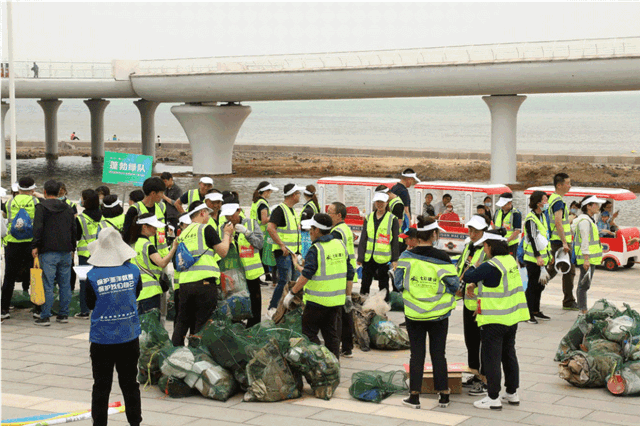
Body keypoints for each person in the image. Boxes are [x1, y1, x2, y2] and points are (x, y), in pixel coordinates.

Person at [394, 216, 460, 409]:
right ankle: (444, 395)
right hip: (439, 314)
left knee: (417, 354)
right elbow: (454, 285)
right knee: (438, 354)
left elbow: (398, 284)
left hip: (414, 314)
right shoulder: (443, 258)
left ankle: (414, 397)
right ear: (434, 234)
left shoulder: (406, 257)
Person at [463, 233, 529, 410]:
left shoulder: (489, 266)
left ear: (490, 246)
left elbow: (468, 277)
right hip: (512, 318)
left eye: (485, 246)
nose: (484, 250)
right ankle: (512, 393)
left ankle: (493, 397)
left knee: (491, 358)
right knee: (509, 355)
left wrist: (473, 264)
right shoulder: (510, 261)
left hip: (494, 320)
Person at [84, 227, 143, 426]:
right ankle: (135, 422)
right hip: (129, 336)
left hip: (102, 339)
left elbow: (90, 304)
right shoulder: (133, 271)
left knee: (101, 386)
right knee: (130, 384)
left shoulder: (92, 276)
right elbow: (137, 293)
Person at [286, 213, 354, 360]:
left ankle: (320, 361)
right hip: (336, 301)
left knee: (309, 334)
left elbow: (307, 275)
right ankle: (333, 367)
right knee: (331, 335)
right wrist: (348, 295)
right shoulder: (340, 245)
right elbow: (349, 272)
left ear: (316, 230)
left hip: (317, 302)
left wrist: (292, 293)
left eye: (311, 228)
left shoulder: (316, 249)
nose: (309, 231)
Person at [172, 201, 233, 346]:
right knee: (202, 324)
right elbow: (223, 251)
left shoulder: (183, 233)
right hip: (204, 284)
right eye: (207, 213)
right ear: (201, 213)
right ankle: (197, 357)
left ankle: (174, 354)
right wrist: (227, 234)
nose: (209, 216)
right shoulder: (206, 229)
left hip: (185, 285)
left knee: (182, 322)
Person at [30, 180, 76, 325]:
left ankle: (45, 316)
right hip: (65, 251)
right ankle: (63, 315)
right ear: (58, 192)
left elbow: (37, 228)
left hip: (48, 250)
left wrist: (35, 246)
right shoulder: (68, 208)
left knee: (48, 284)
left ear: (44, 192)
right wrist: (72, 248)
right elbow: (73, 229)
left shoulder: (41, 207)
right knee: (65, 284)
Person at [455, 215, 491, 396]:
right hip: (468, 303)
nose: (472, 233)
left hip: (481, 303)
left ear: (484, 231)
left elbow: (483, 272)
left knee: (483, 342)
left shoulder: (485, 250)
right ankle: (474, 373)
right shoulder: (469, 246)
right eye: (470, 230)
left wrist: (471, 284)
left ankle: (485, 378)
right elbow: (462, 267)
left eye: (476, 231)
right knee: (471, 341)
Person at [220, 199, 264, 327]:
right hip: (233, 273)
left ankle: (254, 328)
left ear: (239, 211)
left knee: (255, 303)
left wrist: (247, 233)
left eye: (232, 214)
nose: (229, 218)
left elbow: (260, 244)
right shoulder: (223, 227)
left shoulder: (251, 224)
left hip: (251, 272)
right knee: (234, 301)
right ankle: (236, 326)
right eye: (227, 215)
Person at [1, 177, 39, 321]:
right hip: (31, 243)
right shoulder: (36, 202)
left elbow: (5, 216)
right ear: (33, 189)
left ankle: (4, 309)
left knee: (9, 276)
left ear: (18, 188)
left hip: (12, 242)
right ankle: (37, 309)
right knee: (34, 275)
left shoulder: (9, 202)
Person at [266, 183, 304, 317]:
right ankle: (272, 308)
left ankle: (288, 308)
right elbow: (270, 228)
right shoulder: (280, 209)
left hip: (292, 253)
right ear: (293, 195)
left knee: (293, 282)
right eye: (299, 193)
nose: (300, 196)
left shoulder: (292, 210)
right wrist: (282, 245)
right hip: (284, 252)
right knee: (284, 281)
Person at [328, 201, 358, 358]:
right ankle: (348, 347)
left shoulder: (337, 232)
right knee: (346, 311)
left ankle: (342, 345)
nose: (328, 215)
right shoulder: (345, 228)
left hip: (342, 274)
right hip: (349, 274)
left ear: (338, 215)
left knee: (340, 313)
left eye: (330, 213)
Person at [131, 213, 178, 313]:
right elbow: (162, 263)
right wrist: (174, 248)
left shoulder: (134, 244)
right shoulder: (147, 245)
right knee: (151, 326)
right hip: (150, 292)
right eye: (153, 227)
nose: (156, 229)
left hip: (136, 291)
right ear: (144, 227)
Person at [545, 173, 578, 310]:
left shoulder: (553, 199)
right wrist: (565, 242)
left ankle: (532, 289)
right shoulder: (558, 201)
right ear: (559, 185)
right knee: (568, 271)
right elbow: (558, 223)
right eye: (568, 183)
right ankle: (568, 301)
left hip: (557, 240)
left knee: (555, 270)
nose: (570, 186)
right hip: (559, 241)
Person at [357, 192, 399, 297]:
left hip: (383, 258)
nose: (379, 204)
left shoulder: (392, 219)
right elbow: (363, 238)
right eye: (377, 202)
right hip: (369, 257)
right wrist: (360, 256)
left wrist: (395, 259)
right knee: (365, 283)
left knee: (383, 285)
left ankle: (383, 306)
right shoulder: (369, 217)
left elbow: (395, 241)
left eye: (382, 202)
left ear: (386, 203)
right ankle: (363, 303)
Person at [75, 189, 107, 319]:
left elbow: (76, 236)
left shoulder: (81, 218)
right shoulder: (103, 216)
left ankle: (84, 310)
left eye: (82, 198)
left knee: (84, 283)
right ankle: (100, 308)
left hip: (85, 255)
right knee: (100, 282)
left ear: (85, 201)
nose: (80, 200)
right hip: (100, 254)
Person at [572, 196, 606, 314]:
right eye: (596, 204)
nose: (598, 207)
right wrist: (586, 259)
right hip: (587, 259)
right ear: (588, 206)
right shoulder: (585, 222)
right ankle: (583, 310)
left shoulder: (589, 220)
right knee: (584, 285)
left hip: (591, 259)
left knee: (585, 284)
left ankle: (583, 308)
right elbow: (584, 241)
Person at [522, 191, 551, 324]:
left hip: (543, 258)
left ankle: (536, 310)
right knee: (533, 285)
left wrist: (549, 255)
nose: (546, 203)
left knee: (540, 285)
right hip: (533, 259)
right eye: (545, 200)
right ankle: (528, 313)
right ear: (538, 203)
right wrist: (538, 256)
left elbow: (545, 238)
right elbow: (533, 238)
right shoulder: (531, 219)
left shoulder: (542, 216)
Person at [122, 177, 167, 253]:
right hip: (142, 256)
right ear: (153, 193)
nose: (163, 196)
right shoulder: (135, 210)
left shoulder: (162, 207)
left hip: (161, 256)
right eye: (161, 193)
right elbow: (127, 236)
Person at [250, 181, 278, 283]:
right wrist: (274, 215)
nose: (270, 193)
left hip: (254, 230)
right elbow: (264, 220)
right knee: (262, 256)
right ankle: (262, 277)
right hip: (261, 233)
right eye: (270, 191)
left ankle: (266, 276)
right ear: (265, 191)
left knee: (259, 255)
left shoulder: (256, 201)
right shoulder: (263, 204)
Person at [493, 193, 522, 258]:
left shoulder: (516, 214)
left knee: (510, 263)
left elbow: (517, 231)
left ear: (510, 203)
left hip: (511, 244)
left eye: (504, 205)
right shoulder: (497, 212)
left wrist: (507, 241)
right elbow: (494, 226)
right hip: (498, 243)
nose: (502, 206)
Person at [300, 185, 320, 258]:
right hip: (312, 233)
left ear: (305, 194)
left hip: (306, 235)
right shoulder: (315, 204)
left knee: (305, 256)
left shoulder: (309, 207)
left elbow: (304, 223)